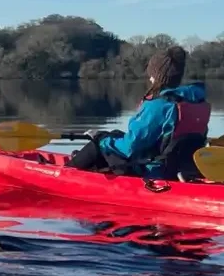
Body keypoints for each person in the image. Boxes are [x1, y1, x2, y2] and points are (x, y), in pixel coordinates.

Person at [65, 46, 212, 181]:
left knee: (98, 144)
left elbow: (130, 147)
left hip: (154, 172)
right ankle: (85, 165)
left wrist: (101, 139)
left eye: (152, 74)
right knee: (115, 134)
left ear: (158, 76)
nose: (149, 78)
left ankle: (66, 175)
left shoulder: (158, 106)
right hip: (181, 169)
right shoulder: (196, 101)